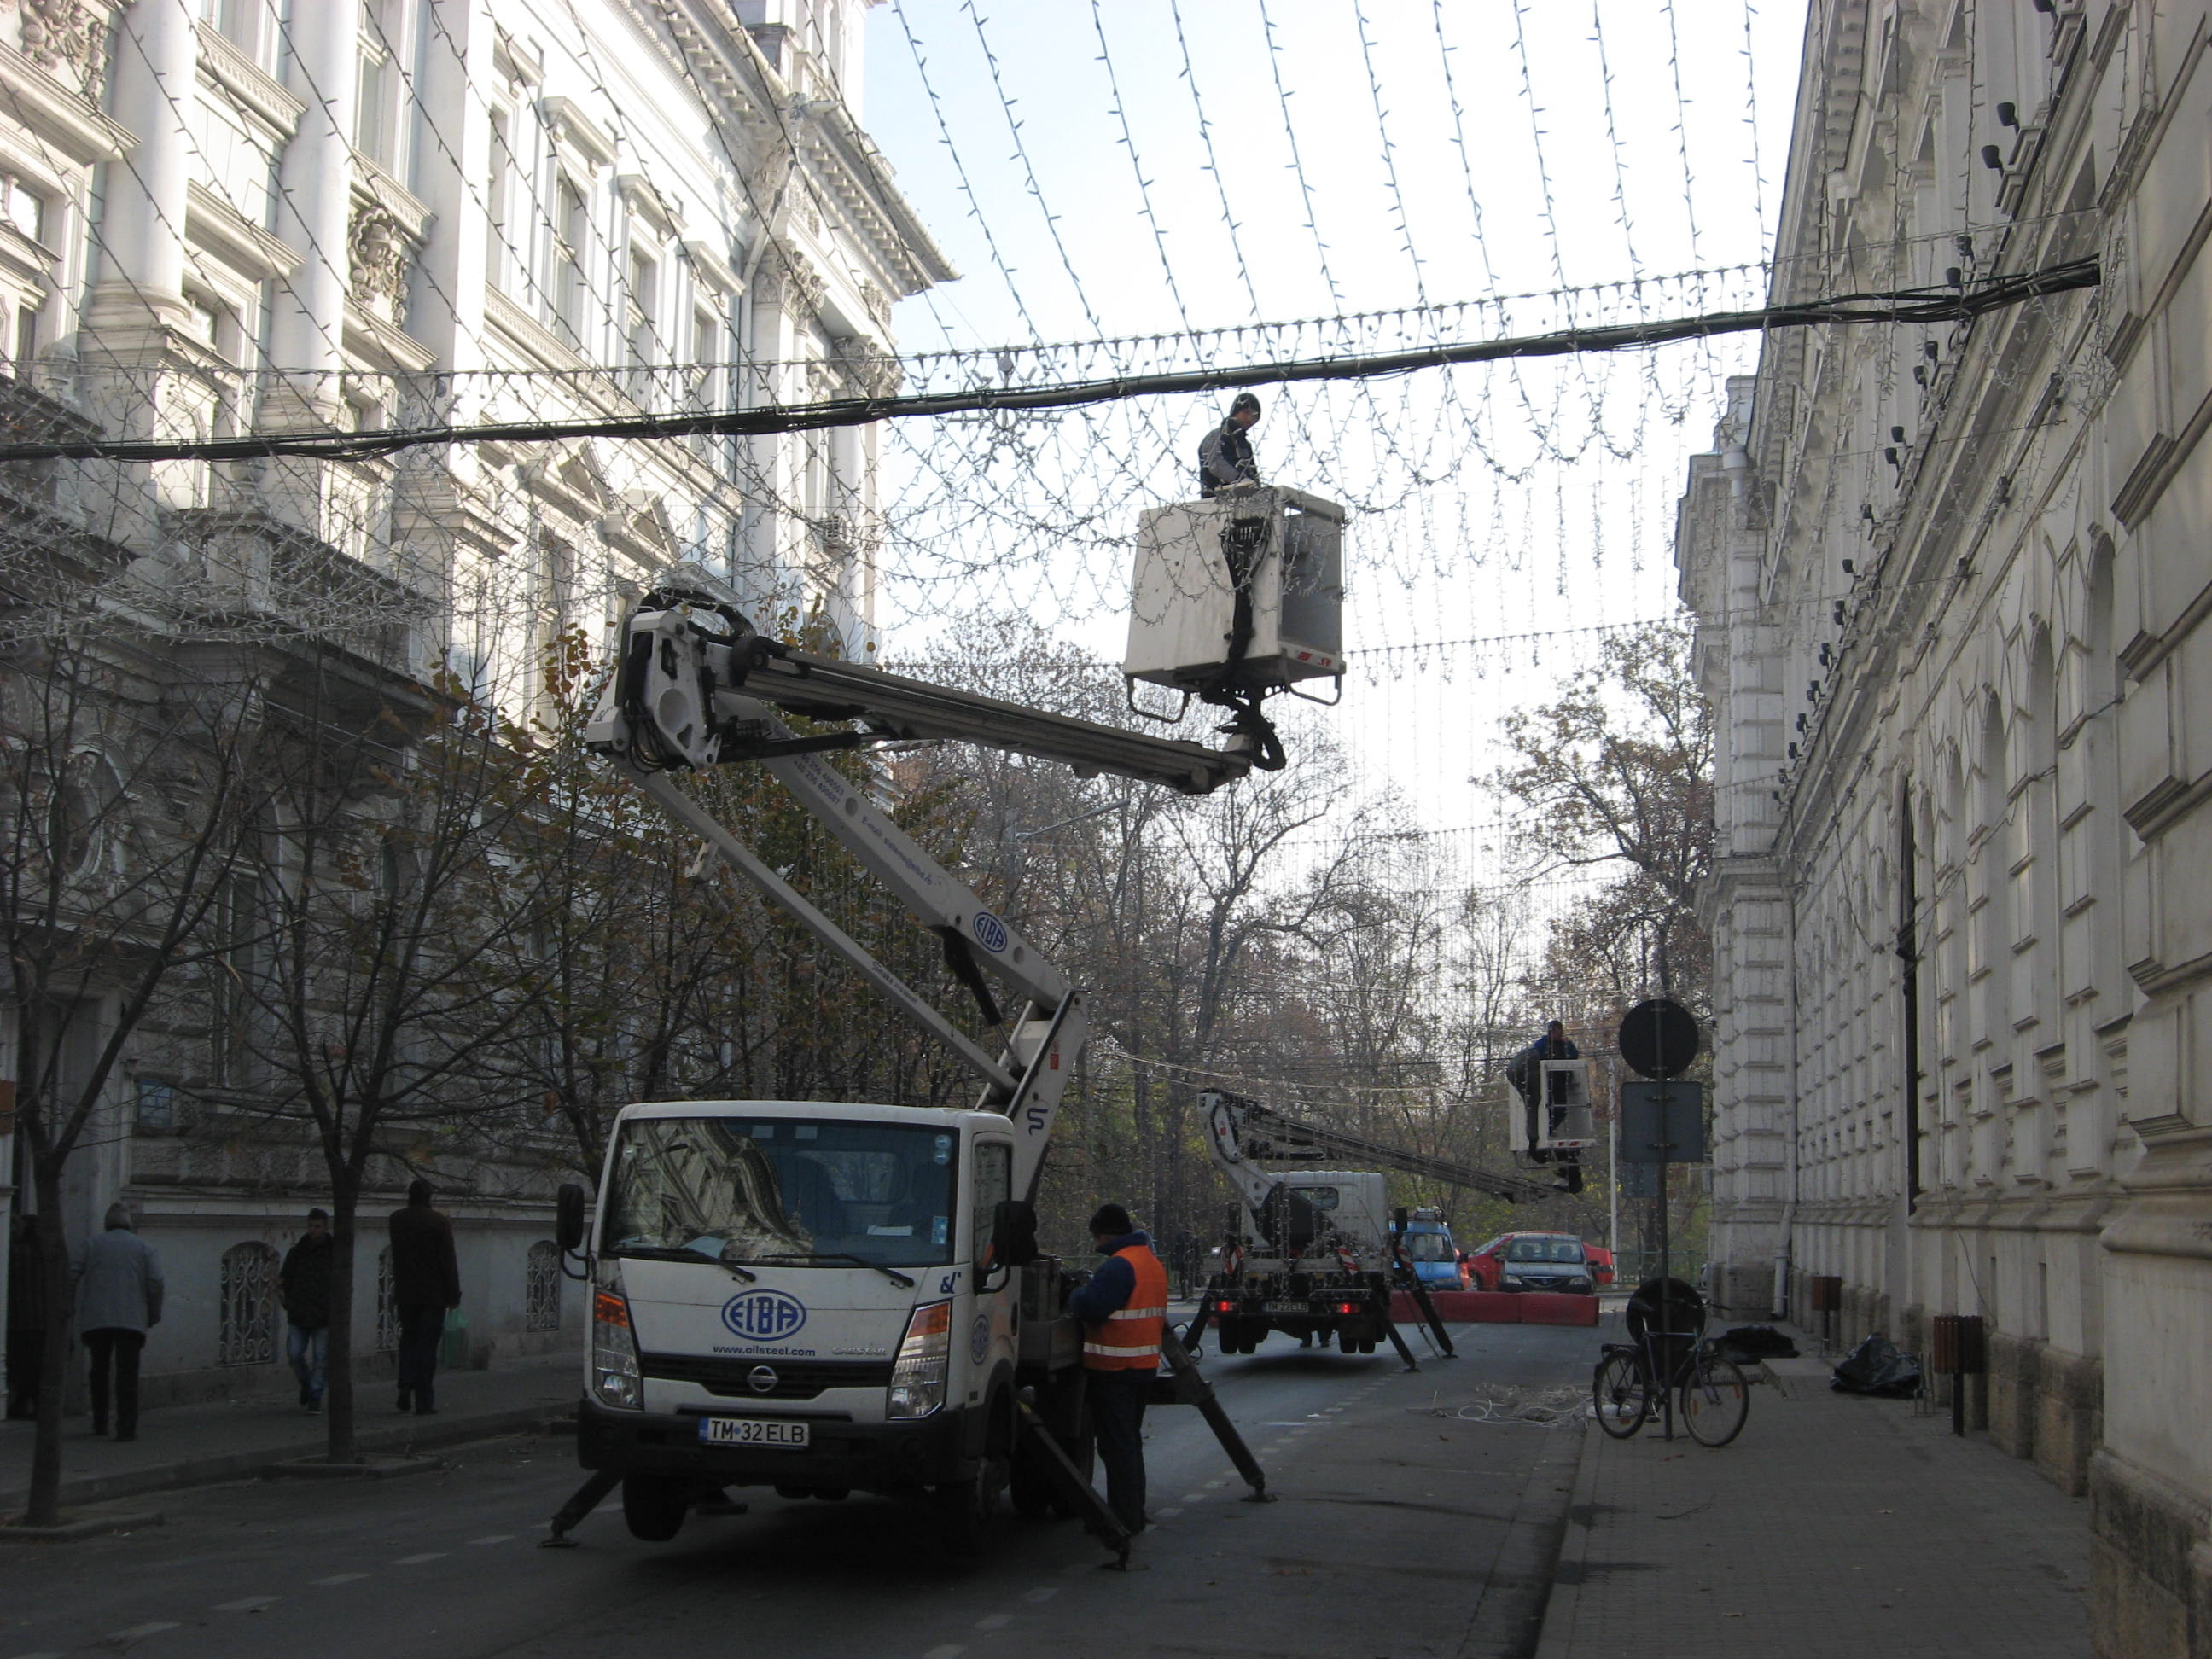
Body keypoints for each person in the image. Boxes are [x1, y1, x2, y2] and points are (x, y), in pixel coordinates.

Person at [1067, 1202, 1167, 1535]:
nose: (1096, 1245)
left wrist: (1075, 1295)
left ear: (1107, 1234)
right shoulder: (1150, 1263)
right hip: (1141, 1366)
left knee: (1116, 1447)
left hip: (1115, 1368)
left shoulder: (1119, 1266)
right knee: (1129, 1443)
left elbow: (1092, 1306)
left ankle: (1123, 1520)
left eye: (1097, 1238)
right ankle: (1132, 1511)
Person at [76, 1203, 162, 1441]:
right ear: (129, 1224)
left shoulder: (92, 1244)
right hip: (131, 1319)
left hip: (97, 1319)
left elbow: (73, 1274)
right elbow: (155, 1283)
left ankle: (100, 1422)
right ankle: (126, 1427)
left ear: (107, 1224)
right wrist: (153, 1314)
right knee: (127, 1374)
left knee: (99, 1370)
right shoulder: (145, 1247)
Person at [387, 1179, 461, 1416]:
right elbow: (448, 1262)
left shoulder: (397, 1220)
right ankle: (424, 1401)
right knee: (427, 1347)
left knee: (409, 1339)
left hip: (406, 1292)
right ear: (429, 1198)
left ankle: (405, 1383)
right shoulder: (439, 1222)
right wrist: (453, 1294)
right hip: (433, 1295)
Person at [280, 1208, 335, 1413]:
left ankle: (315, 1395)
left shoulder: (334, 1251)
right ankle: (306, 1381)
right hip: (300, 1312)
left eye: (317, 1226)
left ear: (325, 1227)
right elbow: (286, 1278)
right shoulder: (298, 1251)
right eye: (311, 1226)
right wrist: (289, 1300)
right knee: (294, 1354)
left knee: (321, 1358)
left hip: (323, 1314)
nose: (313, 1230)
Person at [1508, 1020, 1580, 1153]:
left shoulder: (1562, 1046)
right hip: (1549, 1083)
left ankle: (1546, 1129)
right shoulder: (1542, 1045)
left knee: (1559, 1110)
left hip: (1558, 1083)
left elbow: (1573, 1056)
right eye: (1557, 1032)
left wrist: (1567, 1043)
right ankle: (1542, 1131)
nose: (1559, 1035)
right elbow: (1542, 1060)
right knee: (1549, 1108)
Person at [6, 1213, 48, 1420]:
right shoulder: (46, 1256)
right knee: (35, 1367)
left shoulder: (15, 1253)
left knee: (21, 1366)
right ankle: (33, 1404)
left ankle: (21, 1403)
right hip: (42, 1320)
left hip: (19, 1319)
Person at [1196, 392, 1262, 498]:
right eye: (1246, 413)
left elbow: (1252, 473)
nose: (1250, 419)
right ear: (1235, 412)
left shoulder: (1245, 445)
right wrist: (1240, 480)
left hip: (1244, 503)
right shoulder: (1216, 437)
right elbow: (1216, 464)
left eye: (1255, 416)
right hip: (1215, 502)